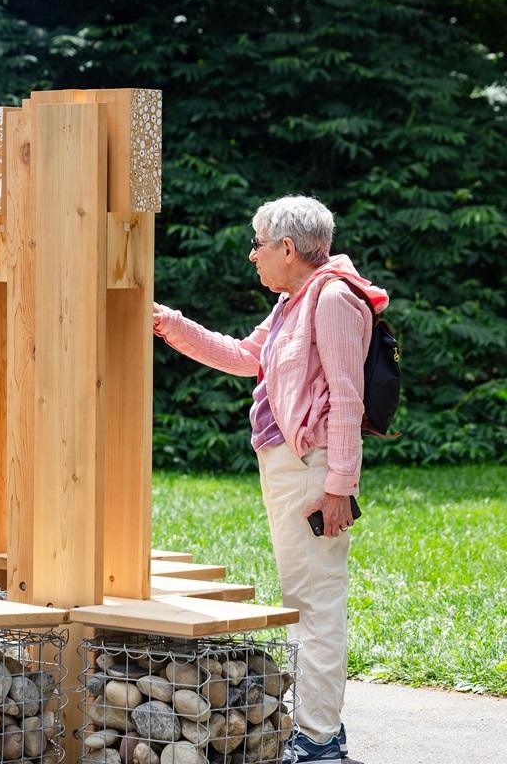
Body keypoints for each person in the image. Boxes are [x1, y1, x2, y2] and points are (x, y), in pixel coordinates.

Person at [153, 195, 389, 764]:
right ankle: (319, 730)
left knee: (316, 602)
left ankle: (318, 740)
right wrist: (169, 323)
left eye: (257, 244)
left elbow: (346, 401)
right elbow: (243, 356)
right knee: (303, 597)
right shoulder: (293, 301)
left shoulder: (331, 299)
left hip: (313, 469)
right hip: (291, 467)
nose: (252, 256)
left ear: (288, 247)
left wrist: (339, 487)